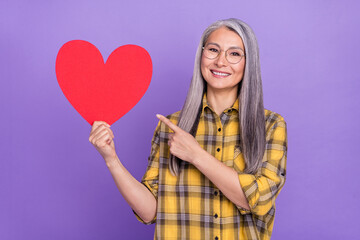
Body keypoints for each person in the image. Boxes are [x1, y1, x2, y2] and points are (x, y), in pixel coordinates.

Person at [89, 18, 287, 240]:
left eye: (234, 54)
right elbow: (150, 212)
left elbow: (259, 201)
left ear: (248, 63)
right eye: (213, 50)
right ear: (202, 55)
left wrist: (195, 155)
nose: (221, 61)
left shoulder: (270, 125)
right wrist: (111, 159)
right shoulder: (170, 128)